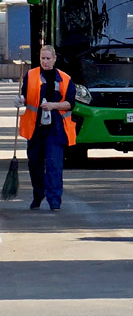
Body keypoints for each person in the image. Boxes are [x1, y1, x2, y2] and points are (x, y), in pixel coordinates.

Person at [16, 45, 78, 211]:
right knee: (34, 164)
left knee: (54, 165)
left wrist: (53, 105)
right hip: (35, 129)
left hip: (55, 129)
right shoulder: (31, 75)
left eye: (48, 58)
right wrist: (20, 100)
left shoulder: (65, 79)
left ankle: (54, 201)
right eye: (43, 58)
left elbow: (70, 104)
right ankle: (38, 195)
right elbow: (25, 95)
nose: (45, 61)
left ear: (54, 59)